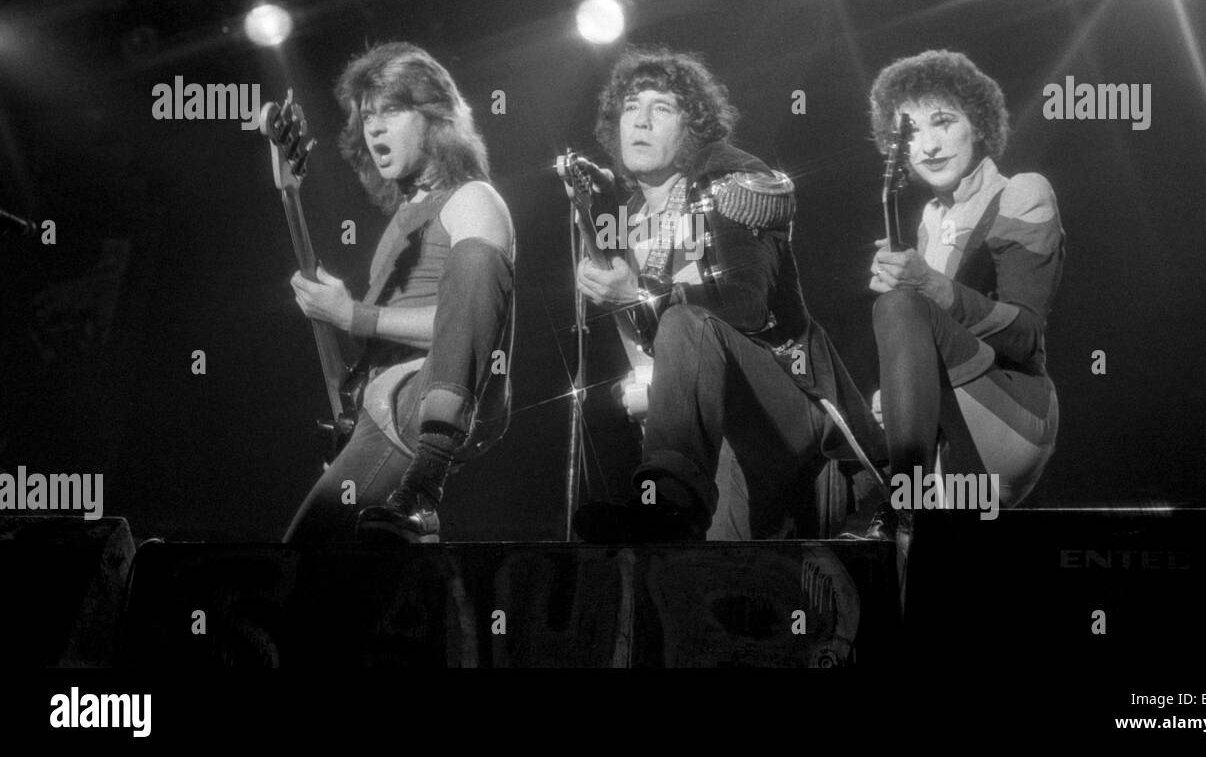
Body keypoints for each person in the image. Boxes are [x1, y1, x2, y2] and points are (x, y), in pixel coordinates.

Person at [573, 45, 887, 542]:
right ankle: (669, 512)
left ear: (692, 126)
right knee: (710, 586)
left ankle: (664, 507)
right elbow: (647, 348)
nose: (641, 121)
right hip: (716, 443)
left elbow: (748, 304)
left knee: (685, 320)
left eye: (662, 108)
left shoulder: (732, 183)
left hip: (789, 403)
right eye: (631, 107)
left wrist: (640, 290)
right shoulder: (627, 218)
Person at [283, 42, 514, 544]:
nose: (374, 127)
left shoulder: (471, 198)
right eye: (367, 116)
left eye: (392, 110)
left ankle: (425, 486)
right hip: (387, 402)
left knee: (303, 560)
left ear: (437, 118)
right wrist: (337, 314)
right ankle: (414, 516)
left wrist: (355, 315)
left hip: (429, 398)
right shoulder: (405, 217)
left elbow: (472, 317)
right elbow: (383, 336)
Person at [864, 49, 1064, 558]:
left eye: (943, 122)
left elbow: (1027, 336)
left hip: (1015, 412)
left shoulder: (1021, 192)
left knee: (901, 308)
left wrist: (927, 288)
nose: (927, 145)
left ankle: (900, 501)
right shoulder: (930, 218)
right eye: (910, 131)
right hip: (953, 434)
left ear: (978, 125)